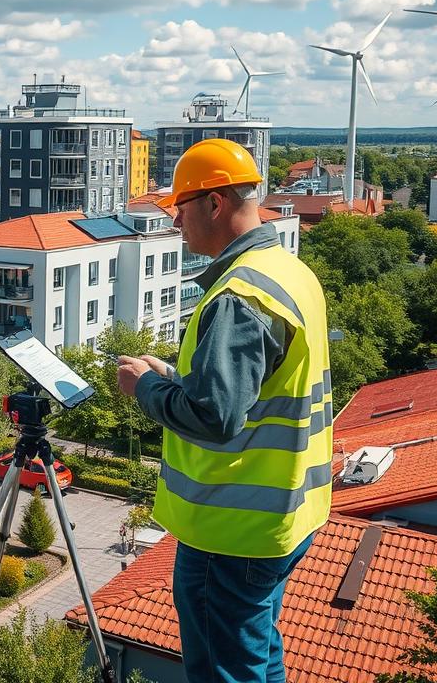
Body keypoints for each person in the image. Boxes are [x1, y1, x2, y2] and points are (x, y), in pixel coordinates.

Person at [116, 138, 333, 683]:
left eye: (180, 208)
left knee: (224, 670)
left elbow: (215, 418)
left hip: (231, 530)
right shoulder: (287, 271)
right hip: (284, 514)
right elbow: (255, 390)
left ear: (214, 204)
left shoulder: (239, 296)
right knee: (255, 654)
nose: (176, 222)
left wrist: (143, 389)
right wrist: (176, 378)